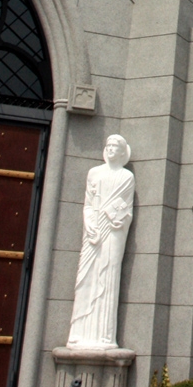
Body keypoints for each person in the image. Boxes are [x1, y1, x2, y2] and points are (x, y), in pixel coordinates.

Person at [67, 135, 135, 350]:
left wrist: (118, 221)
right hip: (94, 229)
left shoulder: (126, 177)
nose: (111, 148)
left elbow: (126, 209)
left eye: (115, 146)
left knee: (109, 275)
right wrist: (89, 224)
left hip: (113, 232)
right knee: (85, 275)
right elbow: (88, 204)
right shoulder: (94, 173)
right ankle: (78, 331)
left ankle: (105, 335)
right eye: (108, 145)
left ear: (123, 151)